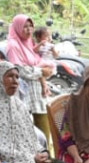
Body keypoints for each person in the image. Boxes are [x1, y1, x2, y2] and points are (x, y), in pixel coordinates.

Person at [5, 14, 55, 145]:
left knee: (44, 130)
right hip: (22, 93)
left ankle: (46, 161)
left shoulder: (30, 43)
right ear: (17, 28)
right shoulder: (13, 45)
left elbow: (39, 61)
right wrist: (41, 71)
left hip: (38, 93)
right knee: (25, 131)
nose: (28, 30)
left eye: (30, 26)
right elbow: (19, 69)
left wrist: (45, 74)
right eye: (24, 27)